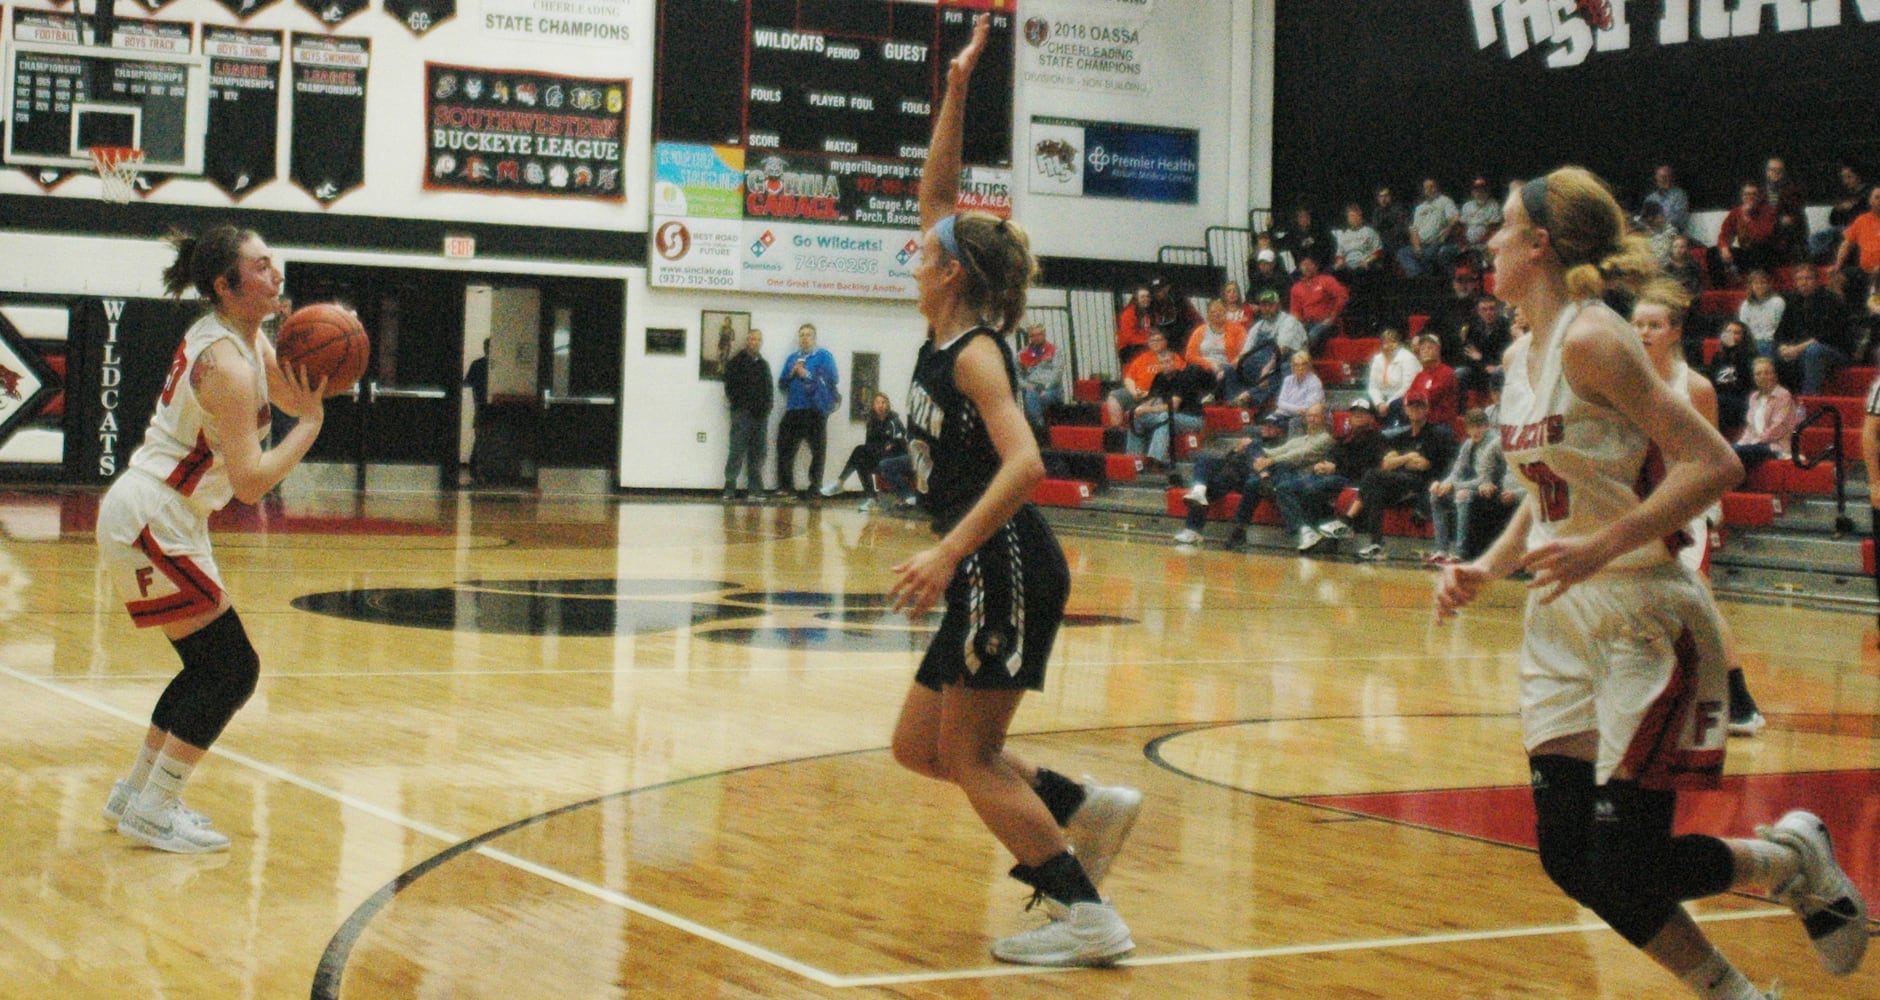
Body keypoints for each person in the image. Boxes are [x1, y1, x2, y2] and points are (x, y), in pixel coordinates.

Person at [1435, 168, 1866, 1000]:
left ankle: (1785, 867)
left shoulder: (1596, 339)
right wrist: (1486, 567)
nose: (1487, 240)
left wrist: (1603, 545)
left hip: (1642, 615)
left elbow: (1716, 463)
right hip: (1559, 619)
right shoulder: (1522, 350)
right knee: (1570, 859)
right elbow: (1546, 487)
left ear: (1539, 244)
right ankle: (1757, 936)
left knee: (1623, 863)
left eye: (1504, 229)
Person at [889, 16, 1137, 968]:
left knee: (970, 756)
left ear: (952, 271)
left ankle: (1087, 915)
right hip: (985, 568)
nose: (915, 252)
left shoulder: (978, 356)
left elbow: (1028, 466)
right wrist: (956, 90)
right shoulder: (953, 323)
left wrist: (948, 551)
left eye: (926, 249)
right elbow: (941, 192)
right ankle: (1082, 808)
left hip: (1000, 563)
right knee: (921, 745)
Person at [98, 226, 328, 853]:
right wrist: (309, 427)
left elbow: (287, 388)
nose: (275, 275)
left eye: (274, 263)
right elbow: (252, 484)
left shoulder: (243, 341)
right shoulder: (225, 363)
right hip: (155, 516)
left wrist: (320, 357)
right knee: (234, 671)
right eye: (261, 267)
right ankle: (155, 807)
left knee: (207, 665)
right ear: (227, 285)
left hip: (159, 515)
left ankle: (135, 796)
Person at [1632, 280, 1770, 736]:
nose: (1644, 331)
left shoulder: (1694, 386)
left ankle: (1739, 698)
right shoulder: (1621, 378)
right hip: (1635, 507)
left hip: (1682, 507)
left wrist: (1712, 510)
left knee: (1698, 600)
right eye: (1637, 324)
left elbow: (1714, 458)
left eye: (1654, 324)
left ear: (1674, 331)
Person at [1323, 388, 1455, 560]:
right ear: (1406, 409)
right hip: (1400, 481)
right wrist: (1408, 457)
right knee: (1377, 490)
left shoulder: (1433, 434)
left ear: (1426, 409)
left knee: (1372, 475)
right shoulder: (1402, 436)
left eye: (1420, 406)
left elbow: (1423, 465)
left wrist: (1399, 460)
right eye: (1412, 406)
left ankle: (1348, 520)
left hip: (1422, 483)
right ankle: (1376, 545)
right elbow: (1387, 463)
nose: (1415, 410)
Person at [1278, 397, 1387, 552]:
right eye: (1355, 412)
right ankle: (1304, 530)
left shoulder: (1377, 439)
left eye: (1362, 413)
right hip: (1329, 476)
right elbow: (1331, 456)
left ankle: (1324, 533)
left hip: (1351, 480)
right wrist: (1322, 465)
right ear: (1349, 416)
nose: (1358, 415)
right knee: (1284, 487)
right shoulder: (1344, 438)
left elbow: (1369, 468)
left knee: (1311, 490)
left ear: (1371, 417)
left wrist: (1335, 468)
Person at [1426, 408, 1503, 565]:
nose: (1476, 431)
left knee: (1462, 495)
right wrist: (1445, 483)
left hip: (1494, 487)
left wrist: (1454, 486)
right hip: (1474, 486)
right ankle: (1441, 550)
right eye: (1472, 427)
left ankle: (1461, 553)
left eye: (1480, 426)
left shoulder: (1494, 442)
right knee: (1436, 495)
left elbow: (1484, 479)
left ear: (1487, 426)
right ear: (1466, 429)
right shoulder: (1468, 444)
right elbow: (1457, 471)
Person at [776, 323, 839, 502]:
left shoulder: (824, 356)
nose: (805, 338)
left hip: (815, 410)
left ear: (815, 337)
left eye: (808, 335)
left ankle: (814, 487)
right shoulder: (792, 358)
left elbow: (833, 378)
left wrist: (807, 374)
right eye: (802, 335)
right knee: (784, 449)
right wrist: (792, 373)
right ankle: (787, 488)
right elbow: (782, 384)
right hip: (794, 409)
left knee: (818, 451)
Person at [1772, 263, 1851, 395]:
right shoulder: (1793, 301)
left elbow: (1829, 335)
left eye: (1808, 278)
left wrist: (1797, 348)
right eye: (1800, 279)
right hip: (1800, 348)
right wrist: (1783, 347)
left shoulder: (1831, 299)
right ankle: (1782, 398)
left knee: (1813, 351)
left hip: (1835, 350)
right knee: (1771, 350)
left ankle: (1809, 398)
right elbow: (1780, 334)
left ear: (1817, 280)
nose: (1804, 283)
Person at [822, 392, 907, 510]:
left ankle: (840, 482)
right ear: (873, 405)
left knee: (859, 451)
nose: (881, 405)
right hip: (878, 456)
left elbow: (899, 443)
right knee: (860, 460)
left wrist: (889, 445)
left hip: (891, 459)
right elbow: (869, 445)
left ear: (887, 405)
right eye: (877, 403)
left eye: (883, 402)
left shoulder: (894, 421)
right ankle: (871, 498)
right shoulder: (872, 423)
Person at [722, 327, 772, 499]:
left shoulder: (764, 364)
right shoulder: (736, 362)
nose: (755, 342)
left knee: (758, 452)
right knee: (736, 450)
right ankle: (729, 487)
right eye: (752, 339)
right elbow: (729, 387)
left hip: (760, 416)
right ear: (746, 341)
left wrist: (767, 408)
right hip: (741, 413)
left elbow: (769, 390)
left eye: (758, 339)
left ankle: (755, 489)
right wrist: (739, 405)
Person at [1733, 356, 1803, 477]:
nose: (1763, 377)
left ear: (1775, 376)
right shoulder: (1754, 397)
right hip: (1754, 445)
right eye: (1758, 374)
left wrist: (1754, 442)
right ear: (1754, 378)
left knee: (1737, 451)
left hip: (1775, 446)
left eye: (1767, 373)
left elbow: (1779, 427)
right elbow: (1750, 428)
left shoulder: (1783, 395)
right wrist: (1741, 442)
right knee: (1728, 451)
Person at [1398, 177, 1461, 279]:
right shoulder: (1419, 208)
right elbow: (1414, 231)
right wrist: (1417, 247)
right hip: (1421, 244)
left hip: (1437, 242)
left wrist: (1445, 233)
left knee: (1427, 255)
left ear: (1436, 188)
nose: (1430, 189)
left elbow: (1455, 218)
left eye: (1432, 186)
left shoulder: (1445, 201)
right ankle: (1418, 277)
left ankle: (1425, 278)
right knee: (1402, 252)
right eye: (1426, 187)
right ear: (1423, 190)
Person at [1706, 320, 1759, 439]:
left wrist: (1733, 351)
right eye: (1728, 332)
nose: (1731, 335)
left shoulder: (1750, 357)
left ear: (1744, 337)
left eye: (1736, 333)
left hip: (1742, 401)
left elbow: (1746, 386)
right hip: (1721, 399)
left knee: (1719, 402)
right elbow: (1711, 382)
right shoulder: (1718, 357)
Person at [1717, 182, 1781, 281]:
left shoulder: (1769, 212)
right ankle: (1722, 289)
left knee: (1757, 248)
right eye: (1746, 194)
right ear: (1742, 197)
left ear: (1759, 197)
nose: (1749, 197)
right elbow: (1724, 234)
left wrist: (1747, 217)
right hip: (1746, 253)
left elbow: (1762, 236)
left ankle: (1756, 282)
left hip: (1765, 253)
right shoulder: (1736, 212)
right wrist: (1724, 247)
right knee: (1714, 252)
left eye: (1753, 194)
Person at [1288, 255, 1348, 351]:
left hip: (1327, 323)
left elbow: (1342, 296)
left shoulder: (1326, 280)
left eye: (1309, 264)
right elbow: (1295, 311)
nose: (1306, 267)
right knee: (1290, 335)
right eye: (1303, 265)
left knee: (1313, 334)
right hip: (1307, 323)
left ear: (1316, 267)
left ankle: (1304, 360)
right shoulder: (1296, 288)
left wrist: (1332, 317)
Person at [1015, 322, 1065, 433]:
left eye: (1039, 334)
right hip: (1032, 388)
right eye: (1032, 335)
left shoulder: (1055, 350)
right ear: (1029, 337)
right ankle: (1040, 427)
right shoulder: (1022, 354)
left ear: (1044, 334)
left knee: (1033, 399)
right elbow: (1016, 376)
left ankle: (1038, 430)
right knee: (1031, 394)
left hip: (1052, 389)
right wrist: (1026, 384)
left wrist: (1046, 388)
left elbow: (1058, 372)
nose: (1036, 338)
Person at [1365, 326, 1420, 412]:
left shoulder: (1408, 358)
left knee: (1396, 406)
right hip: (1382, 399)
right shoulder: (1377, 359)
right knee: (1365, 404)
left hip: (1401, 398)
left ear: (1400, 343)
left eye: (1393, 342)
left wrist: (1388, 404)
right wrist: (1379, 403)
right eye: (1385, 342)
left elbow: (1407, 387)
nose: (1388, 346)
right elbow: (1373, 386)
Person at [1735, 270, 1784, 355]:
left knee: (1763, 346)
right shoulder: (1746, 305)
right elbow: (1743, 327)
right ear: (1751, 286)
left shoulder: (1777, 302)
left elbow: (1777, 325)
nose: (1760, 286)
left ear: (1769, 285)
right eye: (1756, 283)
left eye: (1763, 283)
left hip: (1772, 340)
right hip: (1752, 341)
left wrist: (1764, 338)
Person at [462, 338, 489, 484]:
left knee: (479, 437)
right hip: (487, 404)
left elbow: (467, 382)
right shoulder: (494, 366)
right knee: (483, 438)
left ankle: (475, 467)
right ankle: (478, 468)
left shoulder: (477, 364)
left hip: (479, 404)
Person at [1640, 164, 1691, 235]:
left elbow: (1679, 219)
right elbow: (1644, 220)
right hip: (1652, 236)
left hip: (1674, 235)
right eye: (1663, 177)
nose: (1666, 179)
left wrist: (1658, 224)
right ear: (1656, 178)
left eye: (1669, 176)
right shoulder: (1650, 198)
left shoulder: (1679, 195)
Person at [1115, 286, 1154, 366]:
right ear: (1136, 298)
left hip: (1143, 345)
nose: (1146, 299)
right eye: (1142, 297)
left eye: (1148, 296)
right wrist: (1147, 341)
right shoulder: (1129, 313)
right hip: (1129, 348)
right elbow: (1129, 336)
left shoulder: (1148, 313)